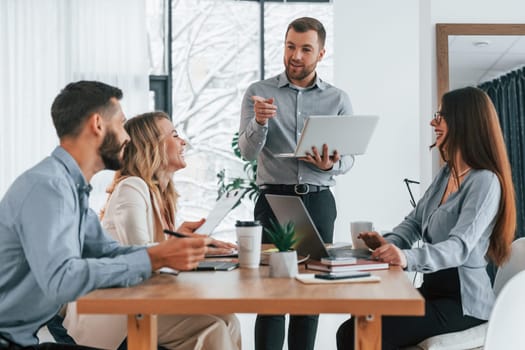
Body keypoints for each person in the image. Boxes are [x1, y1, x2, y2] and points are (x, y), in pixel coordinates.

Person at [0, 81, 220, 349]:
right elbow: (61, 280)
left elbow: (109, 252)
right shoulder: (49, 187)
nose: (127, 137)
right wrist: (155, 256)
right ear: (98, 125)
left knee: (217, 324)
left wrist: (167, 251)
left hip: (22, 339)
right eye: (121, 124)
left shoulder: (71, 188)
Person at [336, 86, 517, 349]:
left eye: (441, 116)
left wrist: (406, 257)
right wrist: (388, 243)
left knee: (357, 334)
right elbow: (415, 222)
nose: (433, 122)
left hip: (463, 304)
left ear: (463, 122)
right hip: (433, 293)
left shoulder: (485, 182)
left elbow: (460, 247)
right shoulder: (447, 174)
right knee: (356, 324)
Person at [63, 111, 241, 350]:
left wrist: (180, 238)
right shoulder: (132, 187)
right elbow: (140, 256)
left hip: (142, 298)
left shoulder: (159, 194)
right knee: (213, 327)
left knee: (229, 320)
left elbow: (153, 250)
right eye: (175, 135)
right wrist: (181, 247)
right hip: (116, 308)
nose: (183, 141)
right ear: (152, 146)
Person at [238, 16, 354, 350]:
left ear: (321, 53)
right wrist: (260, 122)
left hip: (318, 201)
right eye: (291, 46)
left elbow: (349, 158)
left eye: (306, 49)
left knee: (309, 297)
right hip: (273, 201)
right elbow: (247, 152)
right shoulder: (258, 93)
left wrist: (333, 162)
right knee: (271, 298)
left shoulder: (338, 100)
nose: (296, 56)